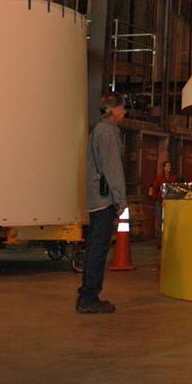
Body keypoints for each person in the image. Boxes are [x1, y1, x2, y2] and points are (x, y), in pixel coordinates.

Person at [77, 93, 127, 314]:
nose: (125, 113)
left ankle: (87, 295)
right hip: (103, 200)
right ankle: (89, 297)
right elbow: (113, 169)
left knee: (94, 248)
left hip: (95, 198)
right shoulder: (107, 132)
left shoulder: (98, 130)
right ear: (113, 110)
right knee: (98, 249)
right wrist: (121, 200)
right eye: (123, 108)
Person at [148, 159, 177, 245]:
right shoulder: (160, 178)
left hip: (170, 202)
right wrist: (156, 197)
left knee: (169, 221)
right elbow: (154, 187)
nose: (169, 167)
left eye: (170, 166)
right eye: (167, 166)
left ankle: (169, 240)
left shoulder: (173, 178)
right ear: (164, 168)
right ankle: (160, 242)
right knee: (160, 221)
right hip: (160, 202)